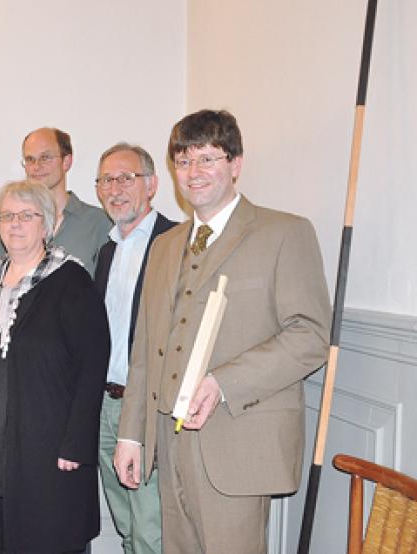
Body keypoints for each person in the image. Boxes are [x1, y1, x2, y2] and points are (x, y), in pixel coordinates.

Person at [113, 110, 331, 554]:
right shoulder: (164, 245)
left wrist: (222, 383)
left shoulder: (284, 232)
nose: (194, 173)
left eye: (208, 159)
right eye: (184, 161)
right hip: (167, 447)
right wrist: (130, 435)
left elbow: (309, 336)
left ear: (236, 163)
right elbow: (144, 351)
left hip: (238, 443)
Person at [0, 180, 109, 553]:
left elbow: (92, 369)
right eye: (7, 216)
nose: (15, 224)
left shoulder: (70, 281)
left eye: (27, 216)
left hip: (45, 453)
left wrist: (76, 443)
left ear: (47, 224)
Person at [93, 143, 176, 554]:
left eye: (127, 177)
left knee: (150, 528)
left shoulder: (176, 241)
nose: (116, 188)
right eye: (107, 179)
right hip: (105, 405)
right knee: (126, 524)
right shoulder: (107, 250)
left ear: (152, 185)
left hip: (146, 406)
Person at [15, 127, 111, 273]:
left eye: (45, 157)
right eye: (30, 159)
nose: (36, 166)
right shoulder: (13, 223)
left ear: (66, 161)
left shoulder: (99, 223)